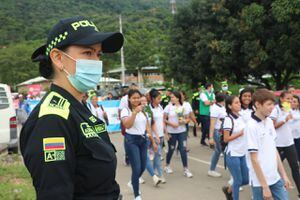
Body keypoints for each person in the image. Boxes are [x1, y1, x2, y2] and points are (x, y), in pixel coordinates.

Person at [20, 16, 124, 199]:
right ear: (58, 58)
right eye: (87, 53)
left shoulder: (78, 107)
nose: (96, 61)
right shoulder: (51, 121)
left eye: (98, 54)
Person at [245, 89, 291, 200]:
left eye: (273, 104)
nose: (272, 107)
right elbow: (254, 159)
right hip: (260, 182)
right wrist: (265, 187)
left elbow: (273, 150)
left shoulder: (269, 122)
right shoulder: (251, 126)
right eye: (268, 104)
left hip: (275, 177)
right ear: (257, 104)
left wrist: (284, 175)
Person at [121, 89, 158, 200]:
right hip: (131, 140)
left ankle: (133, 182)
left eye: (138, 98)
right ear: (129, 99)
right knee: (136, 168)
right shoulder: (125, 110)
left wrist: (152, 141)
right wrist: (134, 112)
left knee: (142, 166)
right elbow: (127, 125)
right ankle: (137, 195)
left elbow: (147, 126)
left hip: (143, 140)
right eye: (134, 98)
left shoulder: (144, 109)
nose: (136, 100)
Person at [270, 91, 300, 198]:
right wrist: (284, 120)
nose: (290, 101)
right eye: (288, 99)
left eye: (291, 99)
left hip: (289, 142)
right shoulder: (275, 110)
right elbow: (272, 126)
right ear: (281, 99)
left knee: (295, 167)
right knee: (272, 168)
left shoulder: (289, 109)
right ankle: (263, 191)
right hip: (277, 143)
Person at [222, 95, 249, 200]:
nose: (239, 104)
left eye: (239, 102)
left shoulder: (241, 117)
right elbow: (226, 139)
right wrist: (241, 133)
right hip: (232, 154)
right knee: (237, 181)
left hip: (242, 153)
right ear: (229, 106)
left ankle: (228, 190)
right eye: (236, 103)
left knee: (246, 180)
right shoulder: (228, 119)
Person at [164, 91, 193, 178]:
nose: (171, 99)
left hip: (182, 131)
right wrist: (171, 125)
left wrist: (184, 121)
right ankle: (167, 165)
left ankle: (186, 169)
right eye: (171, 97)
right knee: (171, 149)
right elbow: (164, 119)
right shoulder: (168, 107)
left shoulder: (184, 107)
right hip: (171, 132)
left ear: (177, 98)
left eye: (173, 97)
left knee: (183, 149)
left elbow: (188, 119)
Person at [141, 94, 163, 186]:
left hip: (149, 136)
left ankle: (156, 175)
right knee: (143, 158)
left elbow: (152, 123)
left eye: (145, 101)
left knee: (150, 155)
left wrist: (156, 135)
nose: (143, 103)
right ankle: (141, 176)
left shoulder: (148, 110)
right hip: (139, 138)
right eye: (141, 101)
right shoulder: (136, 111)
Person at [148, 89, 166, 183]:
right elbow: (149, 124)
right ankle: (160, 174)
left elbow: (162, 120)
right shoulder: (148, 109)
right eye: (158, 98)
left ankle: (154, 172)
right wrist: (154, 136)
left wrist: (165, 130)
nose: (160, 100)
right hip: (154, 136)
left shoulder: (160, 107)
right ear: (153, 99)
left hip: (161, 134)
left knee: (156, 155)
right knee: (158, 154)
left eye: (160, 98)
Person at [208, 93, 227, 178]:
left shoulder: (221, 107)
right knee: (219, 151)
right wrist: (211, 137)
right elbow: (212, 124)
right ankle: (211, 170)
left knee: (219, 151)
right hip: (217, 132)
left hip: (222, 131)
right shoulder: (215, 109)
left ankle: (212, 169)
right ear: (223, 100)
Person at [291, 95, 300, 161]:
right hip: (290, 137)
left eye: (294, 101)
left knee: (298, 153)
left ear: (298, 103)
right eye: (291, 101)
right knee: (285, 153)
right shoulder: (287, 111)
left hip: (298, 136)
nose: (292, 103)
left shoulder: (298, 111)